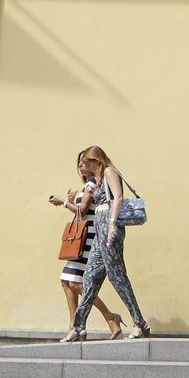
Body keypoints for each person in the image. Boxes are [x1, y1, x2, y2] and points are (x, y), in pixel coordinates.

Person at [64, 145, 150, 342]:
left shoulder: (110, 171)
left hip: (111, 227)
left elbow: (118, 197)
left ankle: (139, 323)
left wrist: (112, 225)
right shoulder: (96, 180)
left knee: (117, 276)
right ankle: (78, 326)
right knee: (90, 276)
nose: (82, 166)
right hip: (100, 228)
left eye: (85, 162)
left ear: (96, 161)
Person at [49, 157, 125, 340]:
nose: (80, 166)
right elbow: (81, 211)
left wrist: (63, 202)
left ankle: (109, 317)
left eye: (84, 163)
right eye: (79, 164)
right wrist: (69, 202)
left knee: (76, 283)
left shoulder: (92, 183)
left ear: (92, 165)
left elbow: (82, 211)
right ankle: (74, 326)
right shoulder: (86, 186)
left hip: (88, 238)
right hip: (81, 237)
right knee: (66, 281)